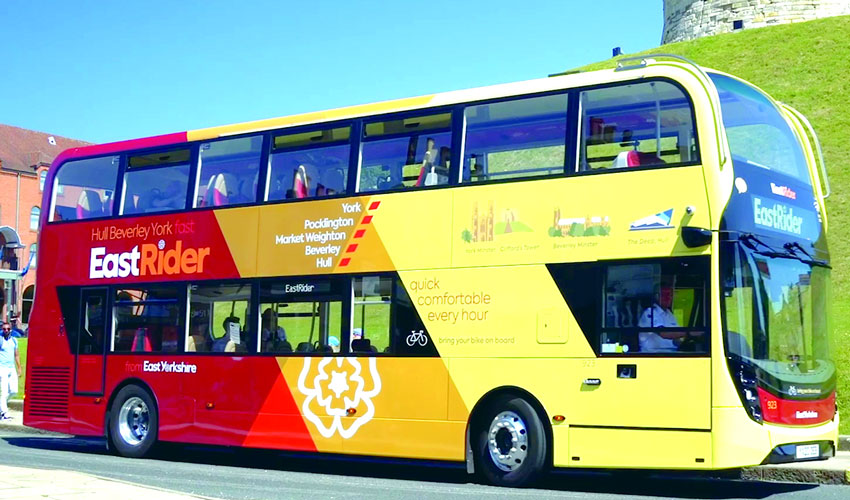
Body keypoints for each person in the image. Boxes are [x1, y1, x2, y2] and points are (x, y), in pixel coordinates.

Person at [637, 285, 687, 352]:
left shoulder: (670, 314)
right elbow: (663, 333)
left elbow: (675, 339)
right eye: (664, 295)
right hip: (652, 355)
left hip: (671, 353)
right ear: (657, 297)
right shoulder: (650, 312)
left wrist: (686, 343)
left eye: (669, 295)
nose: (668, 298)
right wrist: (688, 332)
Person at [0, 322, 22, 420]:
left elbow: (16, 355)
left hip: (11, 367)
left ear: (11, 329)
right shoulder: (0, 340)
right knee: (4, 392)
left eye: (8, 329)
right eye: (4, 329)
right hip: (2, 368)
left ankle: (1, 405)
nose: (6, 331)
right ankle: (4, 413)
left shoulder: (14, 340)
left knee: (13, 391)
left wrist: (19, 367)